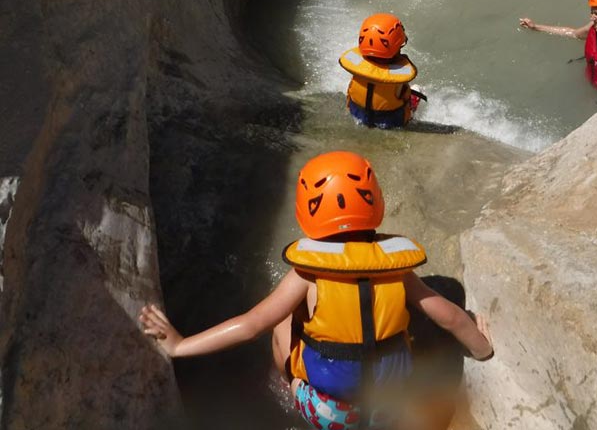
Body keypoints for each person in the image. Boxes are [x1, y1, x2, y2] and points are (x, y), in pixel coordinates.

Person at [140, 151, 494, 430]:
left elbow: (250, 325)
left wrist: (180, 344)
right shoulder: (395, 267)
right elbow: (448, 317)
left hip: (330, 414)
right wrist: (482, 349)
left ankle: (291, 386)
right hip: (390, 405)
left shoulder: (308, 272)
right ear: (375, 203)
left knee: (282, 320)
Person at [339, 13, 424, 129]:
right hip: (391, 121)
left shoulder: (356, 64)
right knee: (408, 91)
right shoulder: (398, 74)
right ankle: (412, 108)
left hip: (357, 114)